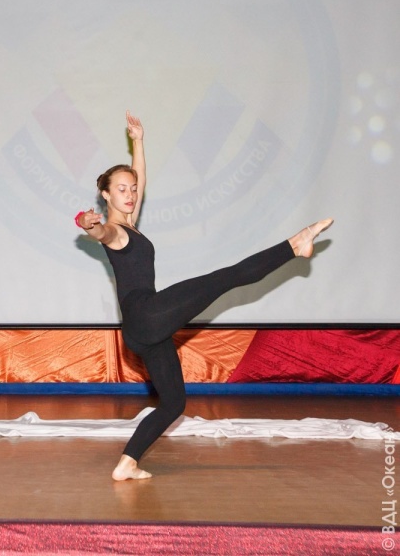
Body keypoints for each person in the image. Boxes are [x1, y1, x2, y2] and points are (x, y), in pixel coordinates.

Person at [75, 111, 332, 481]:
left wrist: (139, 142)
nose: (130, 194)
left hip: (145, 329)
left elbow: (140, 177)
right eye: (121, 189)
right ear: (105, 194)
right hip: (146, 314)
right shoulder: (114, 231)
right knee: (223, 278)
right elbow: (102, 234)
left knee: (174, 402)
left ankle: (127, 462)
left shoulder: (131, 222)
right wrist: (89, 225)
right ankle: (296, 244)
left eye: (132, 189)